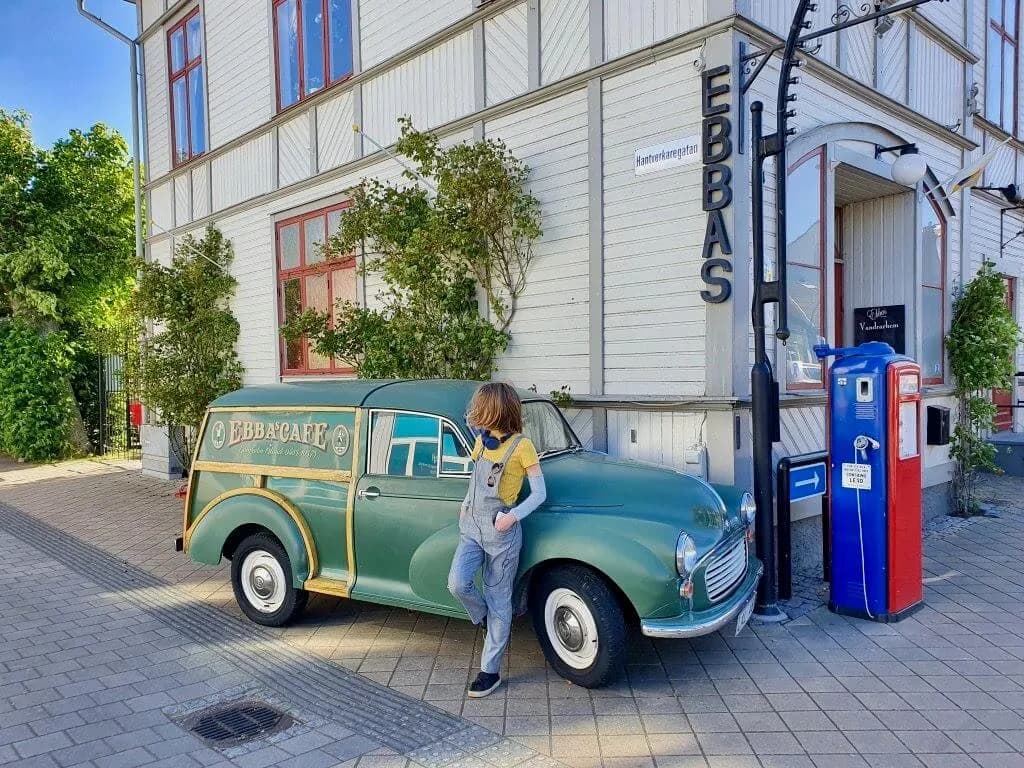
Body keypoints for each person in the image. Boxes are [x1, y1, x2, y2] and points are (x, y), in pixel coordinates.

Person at [447, 382, 547, 698]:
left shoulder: (522, 447)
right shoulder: (482, 441)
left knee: (499, 597)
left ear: (495, 411)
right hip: (472, 529)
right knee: (458, 583)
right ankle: (486, 618)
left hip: (501, 533)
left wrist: (512, 516)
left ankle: (489, 671)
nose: (476, 415)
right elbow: (474, 479)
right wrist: (465, 505)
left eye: (481, 409)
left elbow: (540, 494)